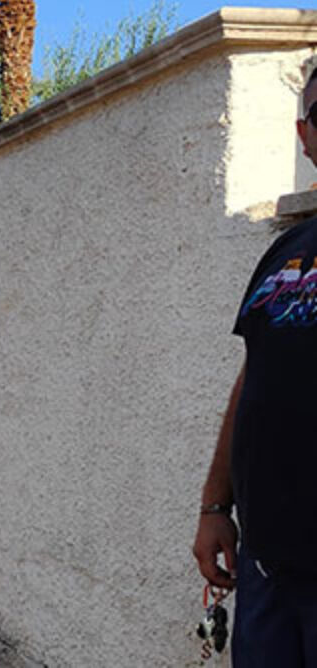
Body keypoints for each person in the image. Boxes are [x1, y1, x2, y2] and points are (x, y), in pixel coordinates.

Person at [192, 64, 317, 665]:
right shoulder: (284, 253)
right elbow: (253, 379)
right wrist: (215, 506)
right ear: (304, 134)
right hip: (268, 567)